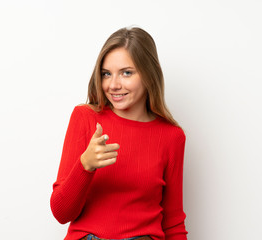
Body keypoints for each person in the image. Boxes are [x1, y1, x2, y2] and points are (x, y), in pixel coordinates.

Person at [50, 26, 188, 240]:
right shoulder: (85, 118)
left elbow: (174, 223)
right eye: (106, 74)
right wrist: (85, 165)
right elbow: (61, 213)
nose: (113, 85)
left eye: (126, 73)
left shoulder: (171, 136)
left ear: (149, 75)